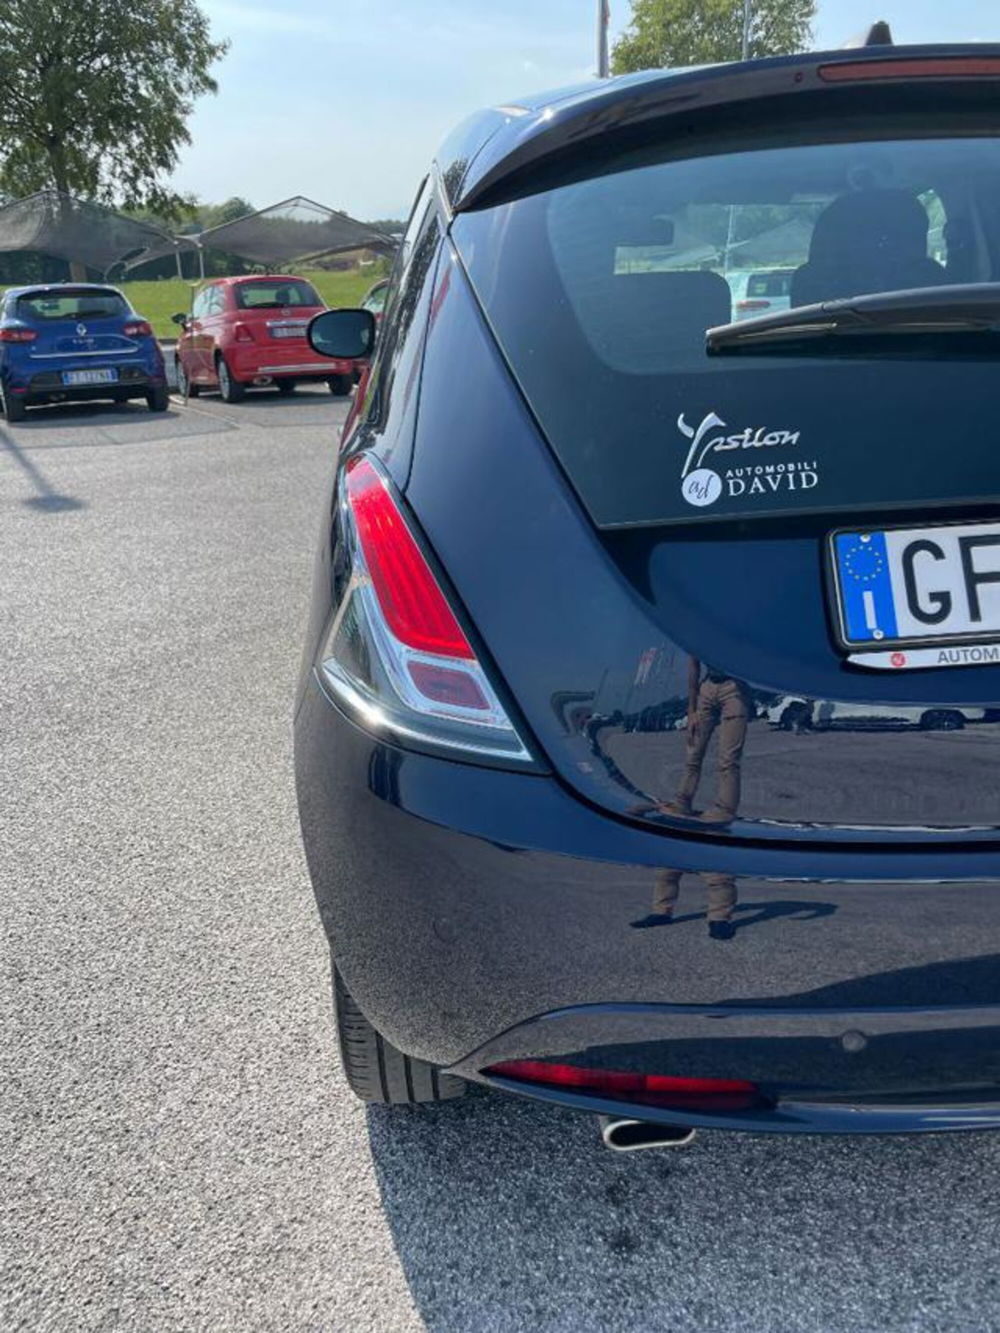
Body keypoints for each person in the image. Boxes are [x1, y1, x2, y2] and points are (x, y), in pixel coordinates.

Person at [662, 657, 750, 825]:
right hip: (708, 685)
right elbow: (694, 663)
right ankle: (682, 801)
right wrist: (692, 710)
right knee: (693, 752)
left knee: (729, 757)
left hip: (735, 687)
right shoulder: (703, 633)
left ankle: (725, 809)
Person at [632, 868, 737, 940]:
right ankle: (661, 913)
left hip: (710, 838)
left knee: (719, 878)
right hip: (677, 838)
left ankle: (719, 919)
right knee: (665, 874)